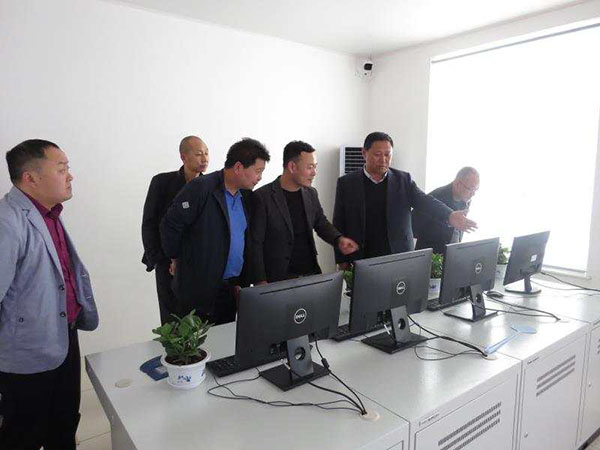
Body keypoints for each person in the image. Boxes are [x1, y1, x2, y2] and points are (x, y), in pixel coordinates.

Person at [0, 139, 99, 450]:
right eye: (61, 169)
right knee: (24, 434)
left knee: (65, 420)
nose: (70, 175)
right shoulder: (7, 221)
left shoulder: (48, 213)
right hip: (26, 351)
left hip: (62, 335)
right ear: (30, 177)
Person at [160, 138, 270, 324]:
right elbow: (170, 225)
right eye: (258, 171)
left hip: (230, 289)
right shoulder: (201, 188)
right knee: (199, 341)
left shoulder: (247, 197)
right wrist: (176, 258)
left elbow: (246, 242)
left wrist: (244, 282)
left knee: (226, 339)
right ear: (238, 167)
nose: (260, 177)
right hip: (198, 291)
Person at [333, 131, 477, 269]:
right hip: (362, 257)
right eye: (377, 154)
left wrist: (449, 215)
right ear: (364, 153)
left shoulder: (403, 180)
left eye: (387, 154)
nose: (383, 159)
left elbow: (425, 201)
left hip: (398, 256)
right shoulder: (347, 183)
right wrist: (341, 260)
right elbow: (339, 222)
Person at [251, 141, 358, 283]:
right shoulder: (262, 197)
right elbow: (255, 243)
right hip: (278, 278)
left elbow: (321, 223)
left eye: (315, 166)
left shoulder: (311, 193)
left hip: (310, 274)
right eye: (310, 167)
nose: (314, 172)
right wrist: (260, 280)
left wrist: (339, 240)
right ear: (292, 167)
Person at [141, 136, 209, 324]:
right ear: (183, 157)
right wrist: (160, 260)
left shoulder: (211, 185)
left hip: (200, 266)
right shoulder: (162, 182)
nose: (204, 159)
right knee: (172, 322)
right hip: (167, 264)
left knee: (201, 322)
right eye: (199, 154)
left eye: (206, 153)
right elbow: (149, 224)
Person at [413, 167, 480, 254]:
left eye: (476, 189)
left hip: (452, 253)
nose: (473, 194)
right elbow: (413, 226)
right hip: (432, 254)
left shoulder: (465, 199)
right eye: (470, 188)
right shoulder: (437, 197)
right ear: (457, 184)